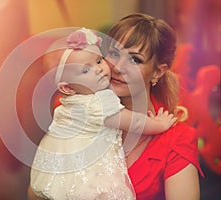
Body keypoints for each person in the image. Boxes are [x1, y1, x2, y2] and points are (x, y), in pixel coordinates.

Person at [29, 28, 177, 200]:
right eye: (85, 71)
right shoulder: (99, 103)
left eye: (99, 60)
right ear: (67, 88)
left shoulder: (68, 104)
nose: (99, 70)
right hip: (89, 176)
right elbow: (134, 122)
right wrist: (159, 124)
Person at [103, 13, 204, 199]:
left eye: (135, 60)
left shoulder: (177, 139)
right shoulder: (85, 116)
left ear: (158, 71)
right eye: (114, 53)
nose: (117, 67)